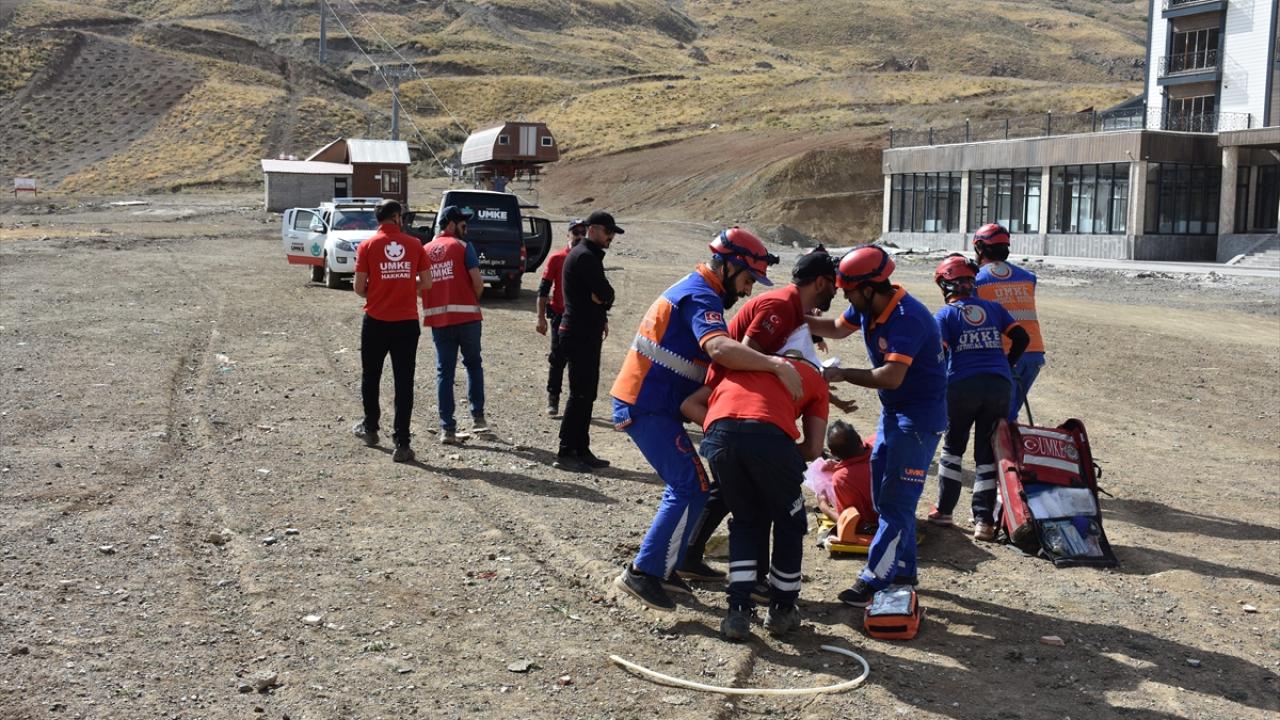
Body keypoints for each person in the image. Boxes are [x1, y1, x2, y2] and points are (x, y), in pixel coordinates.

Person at [609, 227, 803, 612]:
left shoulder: (700, 289)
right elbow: (718, 348)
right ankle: (643, 572)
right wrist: (775, 365)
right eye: (748, 280)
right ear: (729, 266)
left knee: (695, 486)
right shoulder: (701, 295)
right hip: (645, 404)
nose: (748, 290)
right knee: (689, 485)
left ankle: (666, 566)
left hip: (654, 403)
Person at [679, 248, 839, 583]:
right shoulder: (780, 306)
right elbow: (749, 357)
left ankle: (693, 557)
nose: (836, 290)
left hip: (730, 401)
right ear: (820, 282)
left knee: (730, 490)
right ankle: (753, 579)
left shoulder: (792, 309)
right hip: (729, 396)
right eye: (834, 283)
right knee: (751, 494)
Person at [808, 245, 947, 607]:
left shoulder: (907, 318)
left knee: (896, 501)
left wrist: (842, 374)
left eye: (849, 292)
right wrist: (794, 317)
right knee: (884, 496)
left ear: (868, 288)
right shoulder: (868, 303)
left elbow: (891, 376)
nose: (846, 298)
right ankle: (902, 572)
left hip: (917, 421)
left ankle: (873, 578)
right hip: (894, 414)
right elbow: (837, 328)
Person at [680, 329, 829, 640]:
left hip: (720, 438)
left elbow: (689, 404)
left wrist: (731, 437)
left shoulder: (741, 365)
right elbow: (814, 448)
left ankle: (738, 611)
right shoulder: (813, 378)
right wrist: (777, 455)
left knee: (746, 522)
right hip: (770, 440)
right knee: (790, 523)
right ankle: (782, 609)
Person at [928, 256, 1030, 541]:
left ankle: (944, 511)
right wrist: (1006, 364)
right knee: (986, 454)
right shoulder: (994, 308)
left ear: (945, 285)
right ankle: (984, 522)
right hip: (999, 386)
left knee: (953, 448)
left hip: (962, 386)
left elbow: (940, 353)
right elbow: (1022, 338)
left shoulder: (945, 316)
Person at [351, 200, 432, 463]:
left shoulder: (367, 246)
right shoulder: (415, 245)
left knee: (371, 376)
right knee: (404, 382)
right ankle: (402, 443)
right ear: (397, 217)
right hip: (406, 323)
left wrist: (380, 290)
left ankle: (371, 429)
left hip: (375, 321)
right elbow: (427, 282)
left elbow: (358, 288)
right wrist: (405, 285)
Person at [554, 211, 619, 472]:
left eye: (612, 233)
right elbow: (606, 293)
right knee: (580, 394)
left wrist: (603, 299)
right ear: (593, 229)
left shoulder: (588, 255)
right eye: (608, 232)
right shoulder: (585, 257)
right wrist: (604, 298)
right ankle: (566, 451)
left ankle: (581, 448)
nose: (611, 237)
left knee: (587, 394)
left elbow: (604, 296)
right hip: (579, 333)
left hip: (586, 332)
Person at [422, 205, 487, 445]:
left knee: (445, 373)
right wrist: (471, 298)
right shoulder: (463, 247)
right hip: (468, 319)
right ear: (450, 224)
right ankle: (478, 418)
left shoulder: (425, 250)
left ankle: (447, 429)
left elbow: (421, 286)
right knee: (473, 365)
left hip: (440, 322)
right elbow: (477, 282)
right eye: (463, 224)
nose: (466, 228)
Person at [971, 223, 1046, 422]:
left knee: (997, 417)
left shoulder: (976, 280)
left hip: (1005, 355)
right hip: (1034, 352)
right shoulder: (1028, 277)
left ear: (979, 247)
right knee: (1008, 414)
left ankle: (1004, 442)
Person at [536, 219, 585, 417]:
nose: (579, 236)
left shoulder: (588, 259)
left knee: (579, 362)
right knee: (558, 358)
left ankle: (577, 402)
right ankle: (553, 398)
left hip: (582, 319)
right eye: (576, 232)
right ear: (568, 234)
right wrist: (540, 318)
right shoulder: (557, 258)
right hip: (560, 316)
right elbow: (543, 289)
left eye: (583, 232)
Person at [815, 420, 878, 543]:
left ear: (832, 453)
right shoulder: (878, 443)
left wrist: (823, 506)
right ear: (859, 439)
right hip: (899, 515)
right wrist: (840, 466)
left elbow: (848, 522)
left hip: (874, 528)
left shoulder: (842, 479)